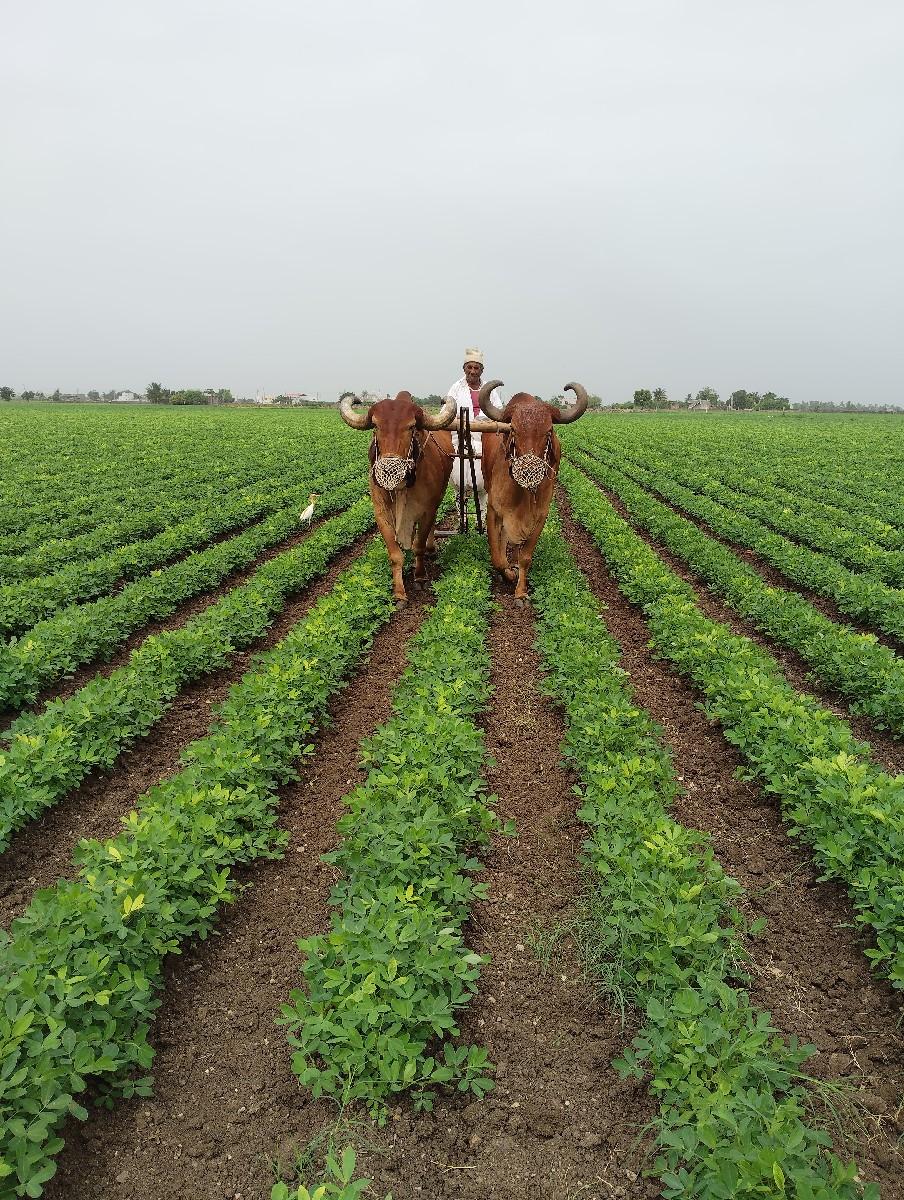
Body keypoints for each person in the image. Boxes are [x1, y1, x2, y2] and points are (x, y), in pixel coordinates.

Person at [445, 348, 502, 503]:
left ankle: (483, 520)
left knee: (485, 484)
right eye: (469, 367)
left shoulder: (490, 391)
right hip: (460, 441)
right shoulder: (456, 388)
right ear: (464, 369)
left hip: (486, 442)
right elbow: (446, 413)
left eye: (476, 368)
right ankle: (461, 513)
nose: (472, 371)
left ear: (481, 371)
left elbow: (499, 414)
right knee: (458, 479)